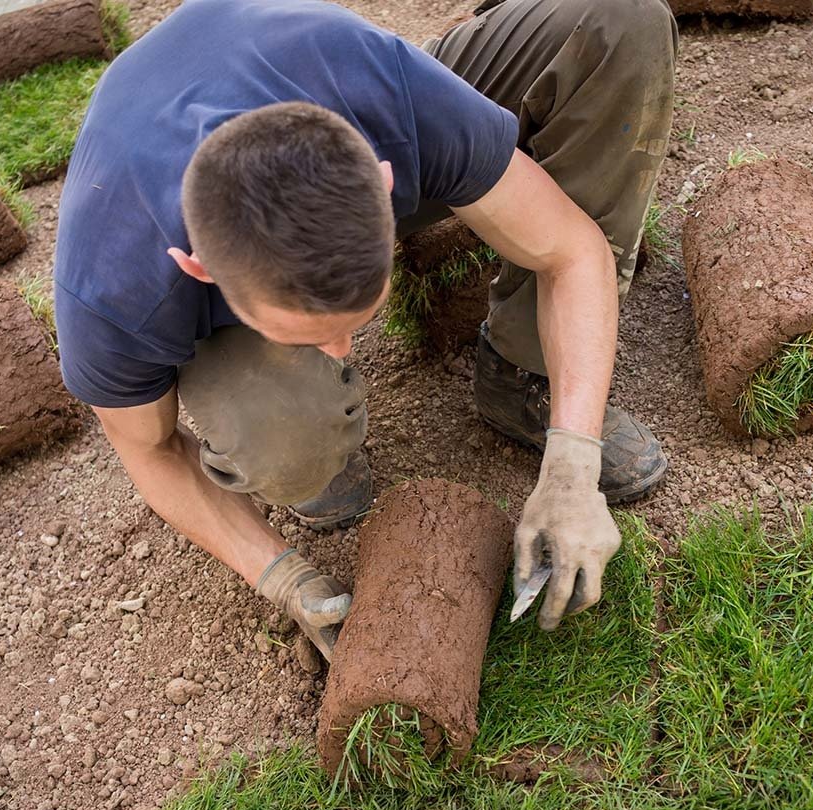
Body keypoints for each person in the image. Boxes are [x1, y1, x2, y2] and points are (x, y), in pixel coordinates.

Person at [54, 0, 678, 661]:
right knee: (287, 435)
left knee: (622, 20)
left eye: (357, 321)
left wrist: (573, 463)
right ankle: (299, 431)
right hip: (166, 193)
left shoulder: (388, 97)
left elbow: (571, 251)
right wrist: (282, 575)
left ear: (385, 181)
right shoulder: (114, 288)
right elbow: (150, 452)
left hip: (323, 86)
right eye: (310, 336)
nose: (346, 354)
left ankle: (523, 370)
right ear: (198, 269)